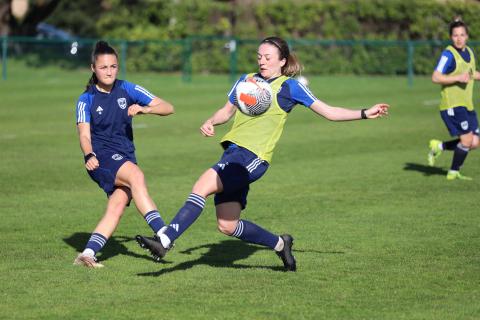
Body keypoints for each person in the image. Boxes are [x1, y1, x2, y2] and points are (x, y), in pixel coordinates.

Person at [136, 36, 389, 272]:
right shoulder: (247, 80)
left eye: (268, 57)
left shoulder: (289, 87)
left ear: (282, 61)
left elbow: (329, 111)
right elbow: (226, 111)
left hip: (253, 157)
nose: (262, 61)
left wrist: (365, 112)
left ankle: (166, 239)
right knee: (227, 225)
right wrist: (212, 121)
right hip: (233, 155)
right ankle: (281, 244)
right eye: (259, 56)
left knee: (202, 185)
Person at [73, 41, 174, 268]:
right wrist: (89, 155)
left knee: (117, 206)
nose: (109, 71)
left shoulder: (128, 89)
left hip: (125, 155)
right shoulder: (86, 99)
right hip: (101, 157)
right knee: (136, 176)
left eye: (113, 66)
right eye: (103, 67)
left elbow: (168, 107)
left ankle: (87, 254)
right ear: (93, 68)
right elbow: (84, 135)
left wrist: (145, 109)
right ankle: (164, 234)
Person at [429, 19, 480, 180]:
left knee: (475, 142)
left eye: (462, 35)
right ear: (451, 37)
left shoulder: (470, 52)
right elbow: (435, 77)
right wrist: (458, 77)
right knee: (466, 141)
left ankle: (439, 146)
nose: (459, 38)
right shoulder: (448, 54)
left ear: (467, 36)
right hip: (452, 105)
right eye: (455, 35)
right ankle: (452, 172)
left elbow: (471, 74)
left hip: (467, 105)